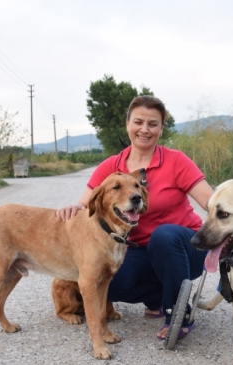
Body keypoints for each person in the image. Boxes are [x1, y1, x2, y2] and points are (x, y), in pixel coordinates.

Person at [56, 95, 212, 340]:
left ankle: (177, 314)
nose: (145, 129)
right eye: (138, 122)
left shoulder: (176, 161)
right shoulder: (111, 166)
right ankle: (158, 296)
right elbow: (86, 203)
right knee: (112, 282)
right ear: (128, 124)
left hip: (183, 247)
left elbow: (210, 201)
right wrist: (72, 207)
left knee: (164, 235)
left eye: (153, 124)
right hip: (138, 250)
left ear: (161, 128)